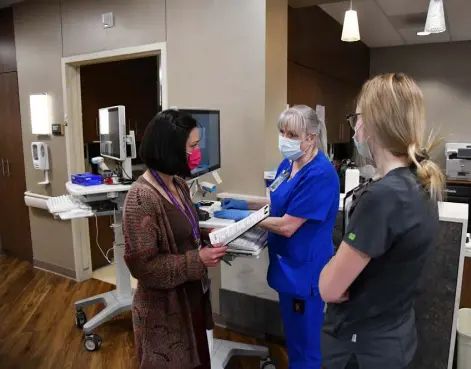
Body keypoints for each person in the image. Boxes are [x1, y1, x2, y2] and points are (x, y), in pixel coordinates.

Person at [319, 73, 445, 369]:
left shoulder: (383, 198)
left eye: (358, 117)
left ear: (374, 124)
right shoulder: (421, 183)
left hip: (360, 347)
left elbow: (329, 288)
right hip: (396, 337)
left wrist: (331, 272)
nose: (355, 127)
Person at [216, 105, 340, 369]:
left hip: (305, 274)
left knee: (306, 347)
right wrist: (241, 204)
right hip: (287, 267)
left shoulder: (320, 174)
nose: (284, 138)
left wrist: (244, 221)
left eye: (292, 134)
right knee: (294, 339)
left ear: (311, 138)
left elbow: (286, 226)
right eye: (282, 131)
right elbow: (276, 202)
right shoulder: (289, 163)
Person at [123, 109, 227, 369]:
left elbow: (178, 228)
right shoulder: (141, 198)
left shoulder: (177, 183)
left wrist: (203, 235)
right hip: (164, 314)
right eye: (192, 146)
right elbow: (144, 268)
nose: (197, 152)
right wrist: (197, 260)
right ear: (171, 149)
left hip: (190, 299)